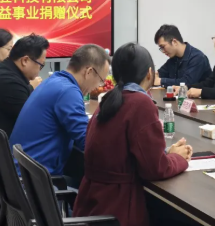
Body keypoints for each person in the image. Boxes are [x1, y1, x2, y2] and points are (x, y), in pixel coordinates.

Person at [74, 43, 192, 226]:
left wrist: (166, 153)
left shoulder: (109, 99)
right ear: (149, 73)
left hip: (92, 203)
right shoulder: (140, 103)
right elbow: (155, 169)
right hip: (118, 210)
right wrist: (178, 158)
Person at [10, 44, 110, 178]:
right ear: (89, 72)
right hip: (34, 180)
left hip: (22, 173)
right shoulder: (68, 91)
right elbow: (88, 142)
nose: (98, 86)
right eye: (100, 80)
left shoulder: (54, 80)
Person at [0, 34, 48, 137]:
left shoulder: (4, 69)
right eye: (41, 65)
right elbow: (35, 122)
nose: (39, 70)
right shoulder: (9, 82)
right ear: (25, 60)